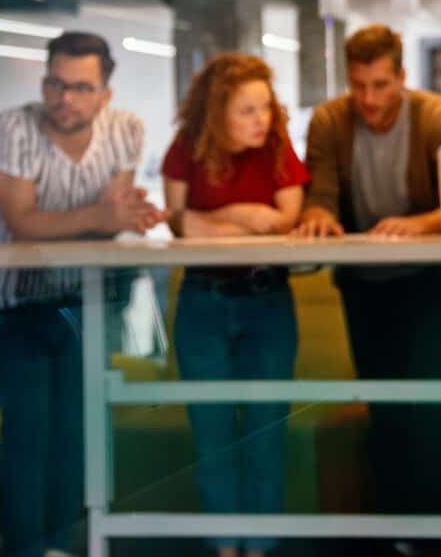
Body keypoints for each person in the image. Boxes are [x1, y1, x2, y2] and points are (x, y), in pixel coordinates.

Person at [0, 31, 164, 557]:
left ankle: (61, 547)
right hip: (16, 306)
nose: (64, 98)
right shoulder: (12, 128)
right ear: (44, 82)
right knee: (27, 436)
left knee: (75, 436)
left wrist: (108, 218)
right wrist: (99, 217)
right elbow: (21, 223)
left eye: (81, 88)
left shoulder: (125, 129)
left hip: (86, 303)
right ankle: (24, 551)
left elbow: (110, 225)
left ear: (105, 94)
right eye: (56, 85)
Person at [293, 24, 441, 525]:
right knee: (383, 409)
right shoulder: (329, 120)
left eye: (381, 85)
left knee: (431, 408)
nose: (368, 99)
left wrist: (419, 224)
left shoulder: (438, 117)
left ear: (401, 77)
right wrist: (319, 216)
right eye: (359, 85)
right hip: (362, 285)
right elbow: (320, 194)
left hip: (428, 283)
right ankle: (395, 528)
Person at [161, 53, 308, 557]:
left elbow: (285, 220)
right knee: (212, 436)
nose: (260, 120)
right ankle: (226, 548)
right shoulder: (186, 148)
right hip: (203, 302)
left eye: (265, 107)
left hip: (268, 301)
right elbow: (179, 223)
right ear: (216, 113)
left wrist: (211, 220)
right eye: (246, 110)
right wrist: (242, 213)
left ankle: (262, 547)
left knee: (266, 435)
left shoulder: (277, 146)